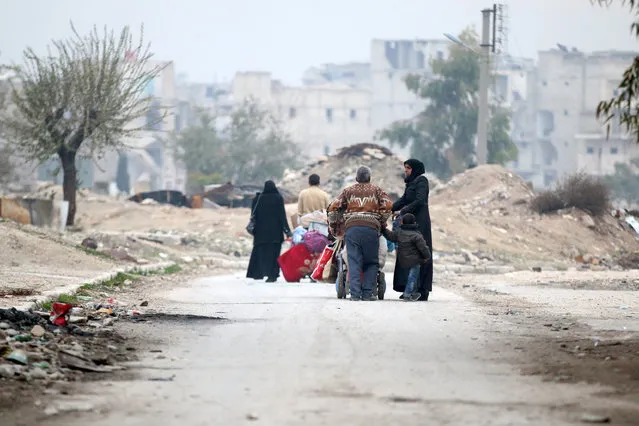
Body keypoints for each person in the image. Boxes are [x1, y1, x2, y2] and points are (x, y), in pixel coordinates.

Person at [328, 166, 392, 301]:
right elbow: (388, 206)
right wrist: (381, 222)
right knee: (371, 262)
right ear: (369, 178)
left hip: (352, 229)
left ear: (356, 178)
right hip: (371, 230)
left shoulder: (348, 191)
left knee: (354, 261)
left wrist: (334, 225)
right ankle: (368, 294)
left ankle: (355, 294)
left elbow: (333, 208)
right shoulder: (377, 190)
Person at [391, 159, 433, 301]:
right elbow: (404, 199)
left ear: (415, 169)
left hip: (420, 223)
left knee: (420, 254)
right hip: (409, 224)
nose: (406, 171)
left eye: (408, 168)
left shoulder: (422, 181)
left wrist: (403, 211)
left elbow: (420, 201)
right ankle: (409, 287)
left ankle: (422, 289)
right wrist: (389, 208)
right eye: (405, 168)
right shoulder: (411, 183)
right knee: (407, 254)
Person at [246, 181, 292, 283]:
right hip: (275, 233)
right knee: (273, 255)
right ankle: (272, 275)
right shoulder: (278, 198)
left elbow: (254, 216)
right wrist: (287, 231)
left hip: (260, 233)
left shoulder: (257, 199)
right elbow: (282, 216)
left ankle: (258, 273)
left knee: (261, 253)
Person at [382, 213, 431, 302]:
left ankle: (413, 292)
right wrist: (427, 257)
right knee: (413, 276)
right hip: (415, 260)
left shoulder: (399, 233)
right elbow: (423, 248)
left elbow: (390, 236)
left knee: (411, 276)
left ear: (401, 222)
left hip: (402, 259)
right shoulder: (417, 235)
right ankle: (407, 294)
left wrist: (383, 229)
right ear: (414, 222)